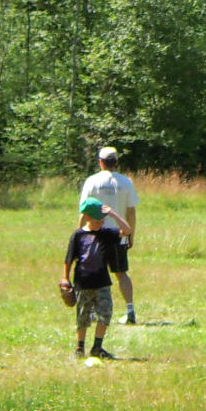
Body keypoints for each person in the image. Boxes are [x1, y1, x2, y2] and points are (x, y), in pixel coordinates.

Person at [61, 198, 134, 359]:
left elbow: (127, 230)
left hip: (102, 282)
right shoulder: (78, 236)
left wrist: (113, 214)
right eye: (97, 220)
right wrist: (65, 278)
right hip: (83, 282)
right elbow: (69, 259)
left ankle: (97, 347)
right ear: (87, 217)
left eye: (102, 220)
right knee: (83, 316)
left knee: (105, 313)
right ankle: (80, 347)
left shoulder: (106, 233)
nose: (100, 223)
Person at [80, 145, 141, 324]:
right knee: (121, 273)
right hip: (118, 235)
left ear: (101, 162)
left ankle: (92, 312)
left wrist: (81, 234)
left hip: (95, 235)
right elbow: (131, 212)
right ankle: (130, 310)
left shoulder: (92, 181)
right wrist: (131, 234)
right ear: (116, 162)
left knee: (93, 274)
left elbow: (84, 211)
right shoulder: (126, 182)